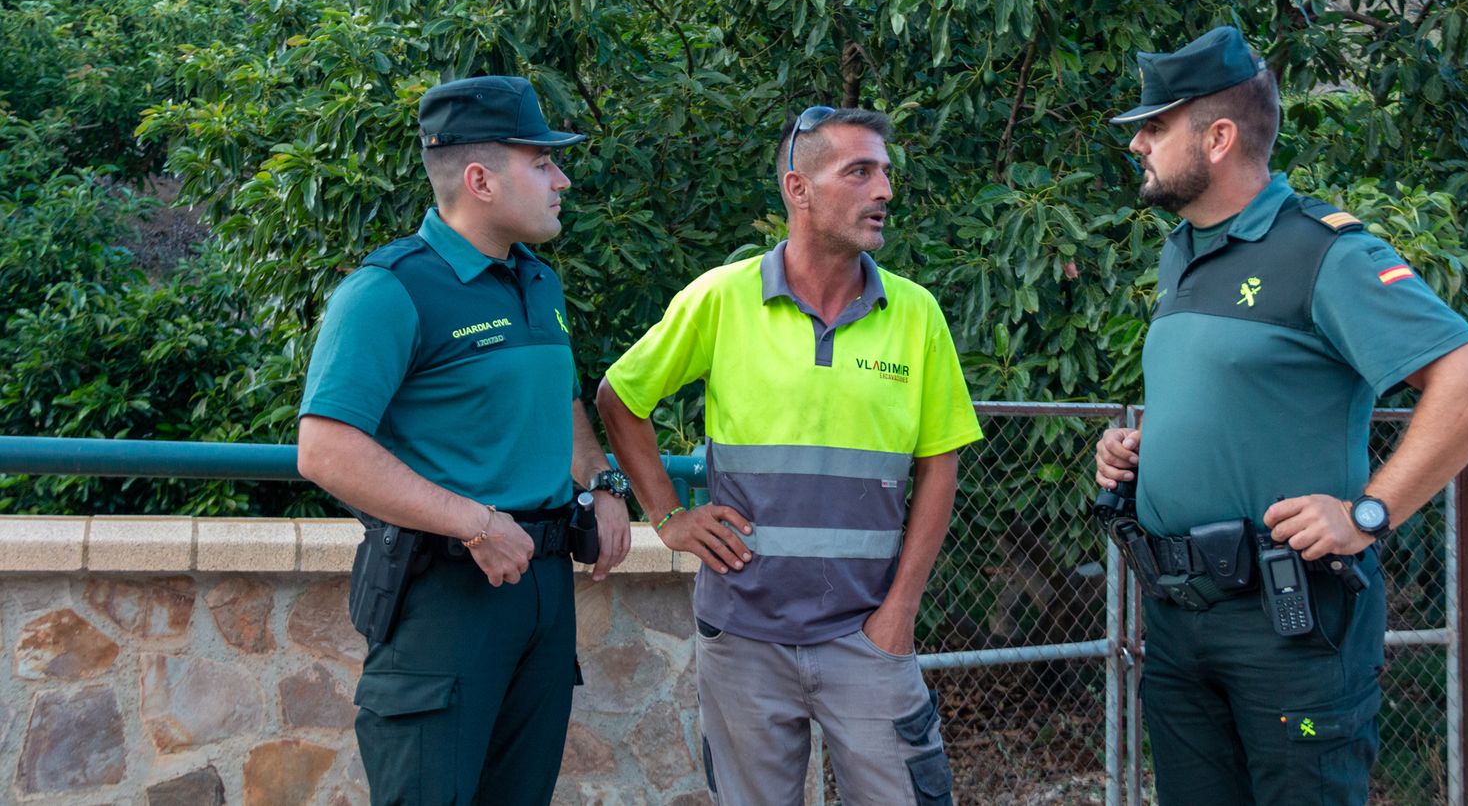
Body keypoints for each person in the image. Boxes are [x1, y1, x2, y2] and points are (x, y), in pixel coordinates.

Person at [1093, 26, 1468, 805]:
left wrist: (1370, 510)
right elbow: (1241, 400)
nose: (1138, 145)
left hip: (1287, 623)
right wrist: (1142, 448)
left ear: (1218, 137)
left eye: (1155, 127)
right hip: (1180, 614)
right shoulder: (1181, 250)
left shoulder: (1323, 251)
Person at [596, 106, 982, 805]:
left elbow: (941, 466)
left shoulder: (917, 312)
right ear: (797, 189)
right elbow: (620, 398)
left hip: (869, 636)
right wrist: (667, 517)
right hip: (742, 638)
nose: (885, 190)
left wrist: (900, 612)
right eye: (859, 172)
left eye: (887, 172)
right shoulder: (722, 297)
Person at [296, 74, 633, 805]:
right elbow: (325, 449)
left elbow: (558, 396)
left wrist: (602, 483)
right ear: (480, 179)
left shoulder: (537, 281)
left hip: (541, 588)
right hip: (447, 593)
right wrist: (474, 523)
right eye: (542, 162)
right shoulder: (389, 289)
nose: (562, 179)